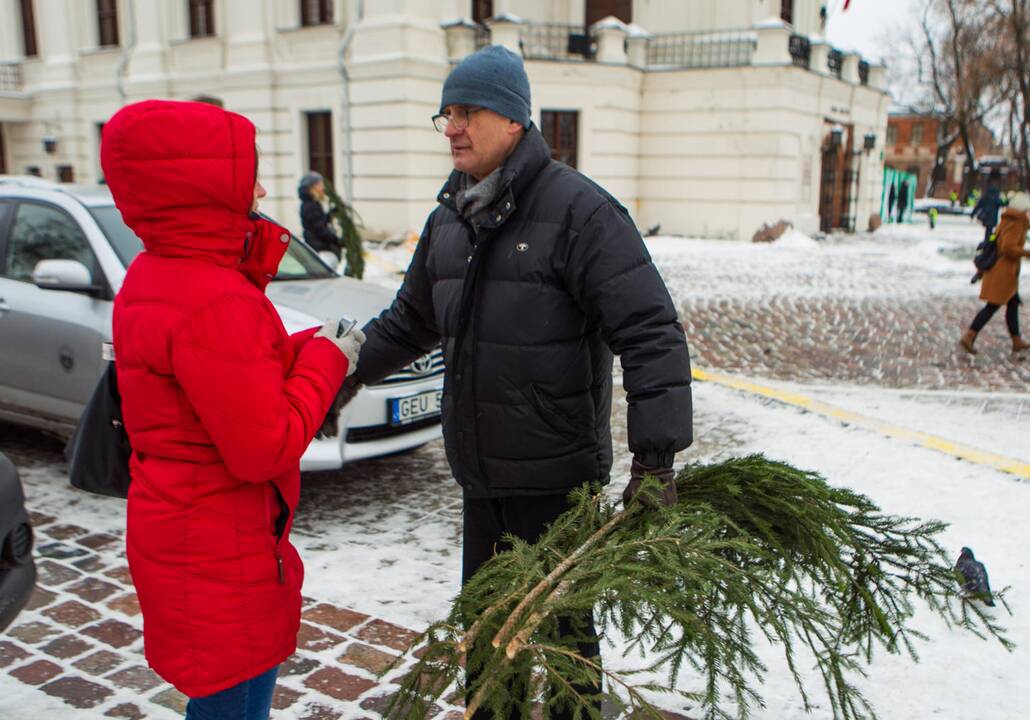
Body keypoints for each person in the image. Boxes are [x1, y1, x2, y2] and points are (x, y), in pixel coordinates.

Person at [319, 45, 693, 718]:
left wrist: (656, 458)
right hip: (481, 481)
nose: (453, 127)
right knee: (488, 644)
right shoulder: (448, 220)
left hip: (557, 482)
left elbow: (650, 331)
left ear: (514, 120)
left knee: (566, 646)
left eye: (468, 112)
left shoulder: (581, 213)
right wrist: (342, 370)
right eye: (447, 114)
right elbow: (410, 321)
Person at [101, 100, 364, 720]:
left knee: (221, 696)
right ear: (202, 184)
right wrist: (329, 362)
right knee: (235, 703)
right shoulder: (215, 298)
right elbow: (264, 445)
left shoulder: (158, 274)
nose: (264, 188)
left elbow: (224, 378)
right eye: (249, 172)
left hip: (186, 529)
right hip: (223, 549)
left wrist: (307, 345)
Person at [959, 192, 1030, 354]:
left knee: (1012, 304)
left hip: (1004, 271)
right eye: (1028, 210)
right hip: (1003, 272)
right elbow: (1008, 248)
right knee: (992, 306)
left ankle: (1016, 340)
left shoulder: (1008, 219)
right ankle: (969, 335)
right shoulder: (1016, 223)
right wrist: (1027, 253)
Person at [298, 171, 344, 265]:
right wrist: (338, 241)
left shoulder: (313, 203)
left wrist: (331, 214)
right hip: (319, 249)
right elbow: (320, 230)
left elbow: (320, 222)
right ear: (312, 187)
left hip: (319, 246)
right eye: (320, 184)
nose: (323, 188)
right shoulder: (310, 206)